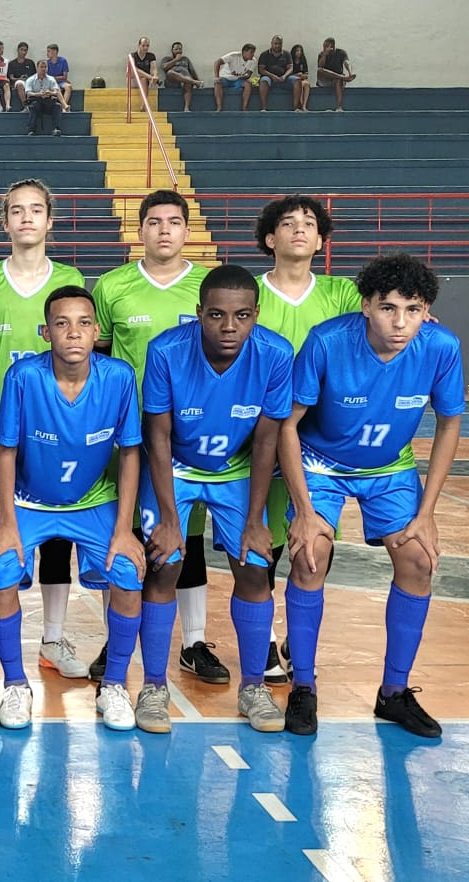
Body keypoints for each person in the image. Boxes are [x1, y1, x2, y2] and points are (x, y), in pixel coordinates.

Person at [278, 253, 464, 738]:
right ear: (366, 306)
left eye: (414, 309)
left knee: (420, 559)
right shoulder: (327, 341)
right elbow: (288, 427)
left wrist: (427, 514)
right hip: (320, 462)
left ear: (427, 311)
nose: (400, 322)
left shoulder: (441, 347)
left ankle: (394, 693)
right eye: (388, 308)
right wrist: (302, 509)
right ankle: (303, 686)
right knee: (310, 555)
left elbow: (449, 426)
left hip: (389, 465)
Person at [138, 265, 295, 734]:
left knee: (253, 564)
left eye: (242, 316)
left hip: (237, 468)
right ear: (199, 313)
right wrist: (169, 518)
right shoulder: (166, 349)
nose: (229, 327)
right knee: (165, 562)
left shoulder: (275, 354)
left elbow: (268, 441)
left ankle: (253, 688)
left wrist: (255, 520)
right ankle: (152, 687)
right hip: (176, 465)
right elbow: (158, 437)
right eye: (217, 315)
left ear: (256, 314)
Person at [0, 286, 145, 731]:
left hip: (93, 498)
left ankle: (113, 685)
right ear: (45, 332)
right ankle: (15, 684)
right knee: (0, 572)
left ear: (97, 331)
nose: (73, 333)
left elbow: (131, 453)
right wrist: (8, 525)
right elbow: (7, 451)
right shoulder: (23, 378)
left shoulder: (118, 378)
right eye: (61, 324)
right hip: (28, 499)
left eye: (83, 323)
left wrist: (125, 528)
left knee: (129, 574)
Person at [89, 189, 216, 684]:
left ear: (188, 231)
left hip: (194, 433)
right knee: (119, 535)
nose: (164, 230)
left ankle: (194, 641)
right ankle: (114, 637)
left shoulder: (208, 287)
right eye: (155, 222)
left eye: (174, 222)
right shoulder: (113, 286)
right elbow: (95, 355)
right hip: (126, 433)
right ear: (139, 229)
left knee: (188, 538)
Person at [0, 179, 89, 683]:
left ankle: (53, 637)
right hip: (2, 441)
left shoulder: (72, 277)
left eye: (36, 210)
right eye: (16, 211)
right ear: (5, 222)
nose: (26, 219)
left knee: (58, 540)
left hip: (58, 435)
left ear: (49, 220)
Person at [255, 196, 362, 669]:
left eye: (310, 223)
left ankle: (298, 643)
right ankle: (266, 637)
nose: (299, 229)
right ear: (269, 239)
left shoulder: (341, 294)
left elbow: (382, 321)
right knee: (263, 544)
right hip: (257, 437)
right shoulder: (251, 297)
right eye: (288, 223)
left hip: (315, 441)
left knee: (313, 540)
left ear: (321, 240)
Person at [23, 59, 63, 136]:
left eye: (45, 67)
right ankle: (31, 130)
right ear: (37, 68)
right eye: (41, 67)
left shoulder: (51, 79)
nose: (44, 69)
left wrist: (50, 92)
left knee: (57, 106)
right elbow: (28, 93)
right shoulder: (30, 79)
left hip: (47, 101)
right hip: (36, 101)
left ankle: (56, 129)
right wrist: (38, 94)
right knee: (33, 106)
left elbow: (56, 91)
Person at [256, 36, 295, 112]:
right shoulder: (264, 54)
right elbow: (261, 70)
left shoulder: (287, 54)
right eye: (275, 43)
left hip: (284, 78)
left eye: (279, 44)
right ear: (271, 43)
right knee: (264, 81)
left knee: (297, 81)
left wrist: (285, 76)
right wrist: (272, 76)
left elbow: (290, 68)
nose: (277, 46)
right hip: (269, 77)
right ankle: (264, 108)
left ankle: (296, 108)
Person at [160, 41, 201, 112]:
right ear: (172, 50)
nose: (178, 51)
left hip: (185, 80)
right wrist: (176, 60)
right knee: (170, 72)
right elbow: (164, 67)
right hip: (172, 81)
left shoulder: (185, 59)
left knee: (188, 81)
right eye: (176, 49)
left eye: (180, 49)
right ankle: (194, 82)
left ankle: (186, 107)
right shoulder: (167, 59)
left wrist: (197, 79)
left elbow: (192, 71)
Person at [316, 37, 356, 111]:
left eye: (326, 46)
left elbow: (346, 62)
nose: (324, 48)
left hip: (337, 81)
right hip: (325, 80)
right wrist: (324, 55)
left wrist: (350, 72)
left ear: (332, 46)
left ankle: (339, 107)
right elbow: (320, 66)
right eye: (323, 46)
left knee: (338, 79)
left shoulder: (341, 52)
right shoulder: (321, 54)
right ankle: (344, 78)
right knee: (320, 70)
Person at [214, 44, 257, 112]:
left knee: (248, 84)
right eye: (251, 52)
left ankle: (244, 107)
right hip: (226, 78)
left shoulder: (253, 61)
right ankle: (219, 107)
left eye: (253, 52)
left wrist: (244, 76)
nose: (253, 54)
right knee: (217, 83)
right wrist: (217, 77)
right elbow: (217, 62)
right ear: (244, 52)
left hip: (238, 80)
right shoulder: (233, 56)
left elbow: (249, 74)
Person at [129, 37, 159, 108]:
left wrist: (155, 76)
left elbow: (154, 68)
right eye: (143, 45)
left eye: (147, 46)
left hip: (145, 80)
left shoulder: (151, 56)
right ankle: (144, 104)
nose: (145, 48)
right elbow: (133, 70)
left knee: (143, 79)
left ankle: (143, 105)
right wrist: (150, 77)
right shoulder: (132, 55)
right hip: (133, 79)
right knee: (136, 71)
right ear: (139, 45)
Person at [6, 42, 34, 110]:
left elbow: (34, 75)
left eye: (25, 50)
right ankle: (25, 106)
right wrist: (20, 78)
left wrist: (28, 79)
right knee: (19, 84)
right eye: (22, 50)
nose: (23, 52)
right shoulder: (12, 63)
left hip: (30, 82)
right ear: (18, 50)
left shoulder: (30, 62)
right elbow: (11, 77)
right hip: (18, 82)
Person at [44, 43, 72, 109]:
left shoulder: (63, 61)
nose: (47, 53)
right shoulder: (47, 63)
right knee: (57, 88)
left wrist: (54, 78)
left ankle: (63, 107)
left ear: (55, 52)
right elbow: (46, 77)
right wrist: (57, 78)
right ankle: (64, 106)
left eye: (49, 51)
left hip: (60, 82)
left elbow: (65, 77)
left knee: (68, 86)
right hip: (51, 83)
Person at [289, 44, 313, 112]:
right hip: (293, 80)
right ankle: (300, 105)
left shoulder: (303, 60)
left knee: (307, 84)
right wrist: (296, 75)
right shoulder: (290, 60)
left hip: (302, 79)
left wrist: (301, 75)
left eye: (300, 51)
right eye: (297, 51)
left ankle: (304, 105)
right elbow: (288, 74)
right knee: (299, 83)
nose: (299, 52)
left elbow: (306, 75)